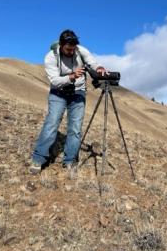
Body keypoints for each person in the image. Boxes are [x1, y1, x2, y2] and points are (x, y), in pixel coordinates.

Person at [29, 29, 108, 174]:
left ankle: (70, 160)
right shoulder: (50, 57)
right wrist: (71, 77)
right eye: (68, 49)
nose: (71, 52)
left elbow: (92, 62)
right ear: (60, 45)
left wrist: (100, 68)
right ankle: (38, 159)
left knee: (75, 129)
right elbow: (55, 81)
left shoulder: (80, 50)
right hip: (58, 93)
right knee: (51, 124)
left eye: (73, 49)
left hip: (78, 92)